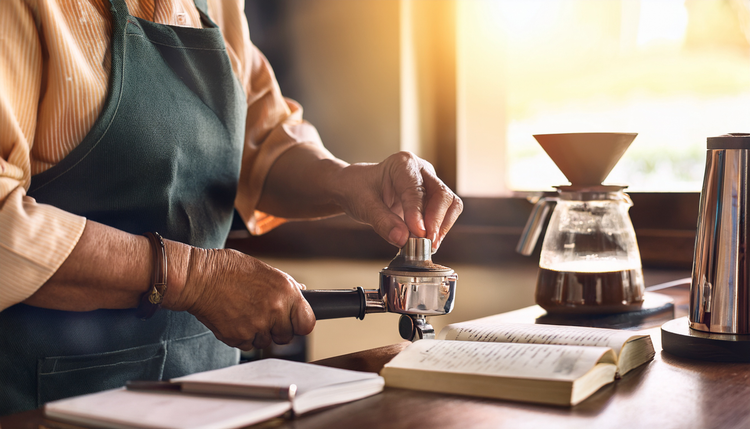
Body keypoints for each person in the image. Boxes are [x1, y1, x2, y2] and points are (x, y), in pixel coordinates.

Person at [0, 0, 462, 416]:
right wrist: (194, 278)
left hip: (209, 390)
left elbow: (261, 145)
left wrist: (349, 181)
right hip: (48, 399)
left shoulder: (217, 6)